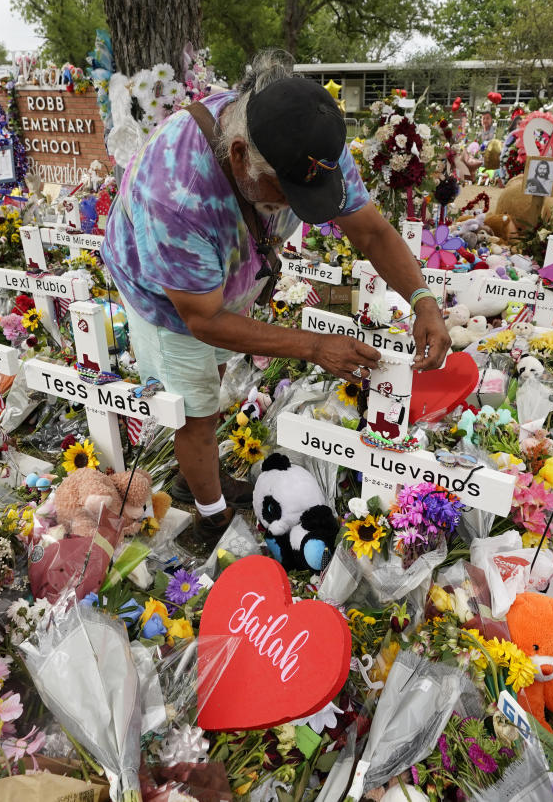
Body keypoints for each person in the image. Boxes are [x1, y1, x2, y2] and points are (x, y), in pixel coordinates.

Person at [101, 50, 450, 555]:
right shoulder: (176, 191)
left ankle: (202, 476)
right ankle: (211, 518)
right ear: (239, 155)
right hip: (165, 297)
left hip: (223, 278)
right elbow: (202, 319)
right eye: (285, 192)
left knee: (213, 382)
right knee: (196, 409)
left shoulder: (308, 144)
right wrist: (311, 346)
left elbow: (371, 232)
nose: (293, 205)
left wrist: (423, 302)